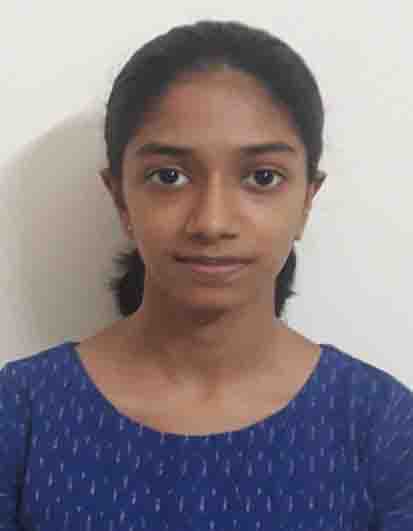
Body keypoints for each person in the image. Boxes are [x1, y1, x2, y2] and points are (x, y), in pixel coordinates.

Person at [1, 19, 412, 531]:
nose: (212, 222)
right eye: (169, 176)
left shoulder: (381, 426)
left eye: (262, 177)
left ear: (307, 200)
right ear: (120, 198)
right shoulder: (21, 414)